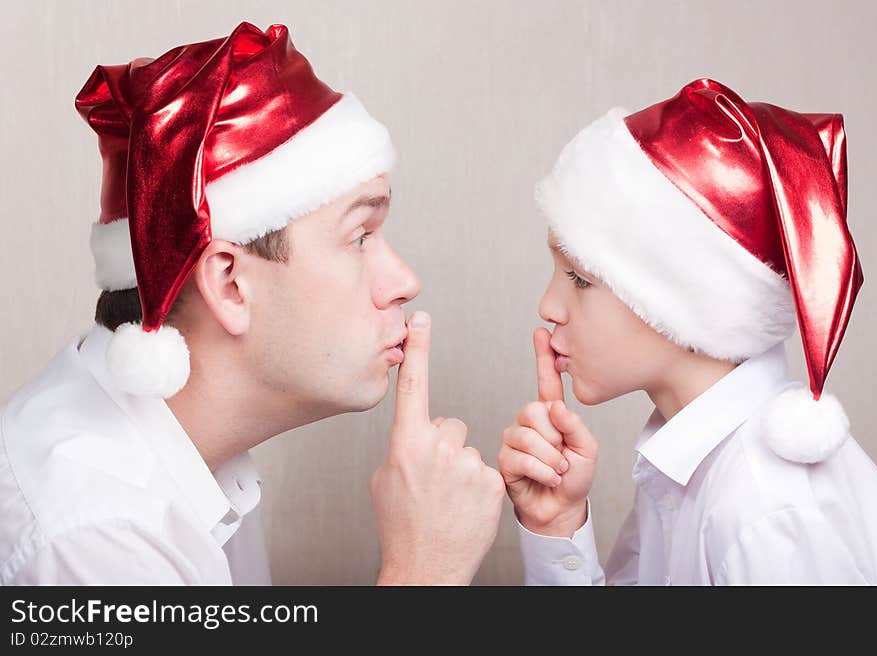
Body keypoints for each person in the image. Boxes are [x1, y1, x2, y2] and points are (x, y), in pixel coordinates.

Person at [0, 21, 504, 585]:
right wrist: (424, 571)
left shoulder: (202, 462)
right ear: (230, 284)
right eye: (360, 236)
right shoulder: (95, 538)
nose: (404, 281)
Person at [498, 78, 877, 585]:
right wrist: (557, 523)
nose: (549, 306)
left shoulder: (767, 512)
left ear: (683, 299)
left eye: (579, 278)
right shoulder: (687, 467)